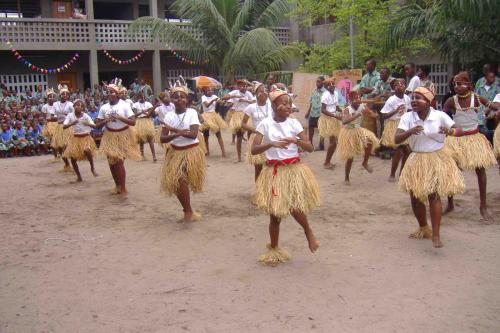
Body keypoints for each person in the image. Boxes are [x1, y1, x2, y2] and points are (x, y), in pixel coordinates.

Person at [251, 89, 320, 266]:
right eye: (283, 103)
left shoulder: (294, 124)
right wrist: (271, 143)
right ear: (273, 105)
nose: (287, 106)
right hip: (274, 172)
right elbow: (254, 149)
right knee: (275, 215)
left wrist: (296, 141)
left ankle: (308, 231)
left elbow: (310, 147)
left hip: (293, 170)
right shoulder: (265, 124)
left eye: (289, 103)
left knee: (294, 205)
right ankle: (274, 249)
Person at [395, 86, 465, 248]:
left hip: (435, 158)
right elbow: (397, 138)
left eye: (418, 98)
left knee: (433, 195)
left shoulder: (439, 116)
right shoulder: (407, 117)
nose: (414, 101)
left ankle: (436, 234)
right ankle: (423, 227)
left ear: (429, 101)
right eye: (412, 98)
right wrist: (410, 131)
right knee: (415, 196)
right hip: (416, 159)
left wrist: (450, 131)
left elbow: (459, 130)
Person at [442, 72, 498, 222]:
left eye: (460, 84)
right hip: (456, 140)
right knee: (451, 171)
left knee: (480, 170)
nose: (457, 87)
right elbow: (442, 117)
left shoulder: (477, 98)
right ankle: (450, 203)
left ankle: (483, 206)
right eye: (455, 84)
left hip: (474, 139)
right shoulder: (451, 101)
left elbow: (493, 106)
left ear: (469, 85)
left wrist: (495, 111)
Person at [160, 84, 206, 223]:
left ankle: (187, 211)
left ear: (187, 100)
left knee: (181, 180)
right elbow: (162, 138)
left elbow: (193, 134)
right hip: (175, 152)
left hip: (191, 151)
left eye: (182, 96)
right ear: (172, 100)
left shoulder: (192, 113)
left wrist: (174, 131)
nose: (179, 99)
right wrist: (177, 134)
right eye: (175, 97)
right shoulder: (168, 115)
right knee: (176, 182)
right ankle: (188, 210)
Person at [95, 81, 141, 195]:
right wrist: (107, 120)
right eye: (108, 92)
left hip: (123, 135)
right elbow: (97, 124)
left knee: (119, 162)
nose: (109, 94)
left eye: (112, 92)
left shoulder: (124, 105)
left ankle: (123, 187)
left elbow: (133, 122)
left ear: (118, 94)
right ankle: (117, 185)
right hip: (109, 136)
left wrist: (120, 117)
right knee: (112, 162)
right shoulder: (104, 107)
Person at [337, 91, 379, 184]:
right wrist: (358, 115)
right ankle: (346, 178)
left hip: (358, 130)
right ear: (351, 100)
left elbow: (373, 114)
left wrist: (375, 115)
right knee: (350, 157)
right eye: (355, 98)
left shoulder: (362, 107)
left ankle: (365, 162)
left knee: (370, 140)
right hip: (348, 132)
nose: (358, 100)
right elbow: (344, 121)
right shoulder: (347, 109)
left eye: (359, 98)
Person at [380, 79, 412, 181]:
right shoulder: (391, 100)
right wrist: (395, 111)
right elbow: (384, 115)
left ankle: (402, 173)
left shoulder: (407, 98)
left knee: (407, 151)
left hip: (404, 125)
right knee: (398, 152)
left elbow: (410, 110)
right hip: (394, 126)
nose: (400, 86)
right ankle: (392, 174)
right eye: (397, 85)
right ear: (394, 88)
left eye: (402, 84)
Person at [242, 82, 272, 182]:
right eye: (260, 91)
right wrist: (253, 129)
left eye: (265, 91)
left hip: (270, 138)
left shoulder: (272, 105)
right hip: (257, 139)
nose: (263, 93)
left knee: (271, 166)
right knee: (258, 168)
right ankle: (259, 192)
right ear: (255, 93)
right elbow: (243, 124)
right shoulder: (251, 107)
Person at [62, 99, 98, 182]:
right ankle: (79, 177)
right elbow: (64, 126)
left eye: (80, 106)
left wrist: (87, 124)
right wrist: (72, 123)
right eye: (77, 105)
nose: (78, 107)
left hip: (86, 137)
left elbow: (94, 126)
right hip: (75, 138)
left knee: (87, 150)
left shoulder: (86, 116)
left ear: (82, 107)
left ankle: (92, 167)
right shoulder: (70, 116)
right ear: (74, 107)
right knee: (73, 159)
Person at [223, 80, 255, 162]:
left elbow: (253, 101)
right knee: (239, 137)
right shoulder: (235, 92)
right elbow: (225, 97)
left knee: (250, 135)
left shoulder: (248, 93)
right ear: (238, 86)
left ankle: (250, 153)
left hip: (247, 115)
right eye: (241, 86)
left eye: (244, 86)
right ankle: (239, 157)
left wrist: (245, 100)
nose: (243, 87)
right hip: (237, 115)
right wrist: (235, 97)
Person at [318, 77, 342, 169]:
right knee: (333, 142)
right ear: (326, 86)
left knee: (334, 142)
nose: (332, 86)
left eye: (333, 84)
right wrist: (335, 116)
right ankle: (326, 163)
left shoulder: (335, 93)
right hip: (328, 119)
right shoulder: (325, 95)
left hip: (333, 118)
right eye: (329, 84)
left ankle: (328, 161)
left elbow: (336, 107)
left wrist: (344, 110)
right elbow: (323, 110)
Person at [52, 85, 74, 172]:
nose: (64, 95)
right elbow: (52, 115)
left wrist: (67, 117)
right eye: (63, 94)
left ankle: (72, 163)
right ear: (60, 95)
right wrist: (56, 117)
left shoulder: (70, 104)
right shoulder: (55, 104)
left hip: (68, 126)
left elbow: (74, 115)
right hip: (59, 126)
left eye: (66, 94)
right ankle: (67, 164)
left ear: (68, 95)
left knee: (66, 145)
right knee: (59, 147)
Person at [200, 87, 227, 157]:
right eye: (208, 90)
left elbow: (221, 102)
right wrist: (213, 100)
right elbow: (206, 105)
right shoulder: (203, 97)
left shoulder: (214, 96)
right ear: (205, 91)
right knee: (206, 135)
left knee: (218, 134)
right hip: (206, 116)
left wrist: (224, 101)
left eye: (211, 90)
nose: (210, 91)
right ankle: (207, 151)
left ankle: (223, 152)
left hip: (214, 116)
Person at [475, 71, 500, 141]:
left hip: (490, 110)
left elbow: (496, 104)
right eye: (491, 77)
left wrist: (490, 110)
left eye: (493, 77)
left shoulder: (497, 88)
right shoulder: (479, 88)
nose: (492, 79)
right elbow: (475, 98)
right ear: (486, 78)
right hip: (480, 110)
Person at [132, 91, 157, 162]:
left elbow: (151, 114)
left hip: (147, 121)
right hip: (139, 121)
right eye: (141, 96)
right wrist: (141, 112)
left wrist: (147, 112)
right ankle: (142, 155)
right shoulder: (135, 105)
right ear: (138, 97)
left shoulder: (148, 104)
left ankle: (154, 156)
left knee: (150, 139)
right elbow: (134, 115)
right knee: (141, 140)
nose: (142, 98)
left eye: (143, 96)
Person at [305, 76, 326, 150]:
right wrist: (308, 112)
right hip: (313, 113)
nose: (317, 83)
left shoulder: (325, 92)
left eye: (319, 81)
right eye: (317, 81)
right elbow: (311, 102)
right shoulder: (314, 91)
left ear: (323, 82)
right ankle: (310, 144)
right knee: (310, 128)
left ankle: (321, 145)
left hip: (321, 113)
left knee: (321, 129)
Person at [41, 88, 58, 160]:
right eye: (50, 97)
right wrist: (46, 125)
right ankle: (55, 156)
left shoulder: (57, 105)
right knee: (53, 140)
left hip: (58, 123)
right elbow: (44, 118)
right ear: (47, 98)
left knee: (59, 140)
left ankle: (60, 154)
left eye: (53, 96)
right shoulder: (45, 107)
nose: (51, 98)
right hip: (50, 125)